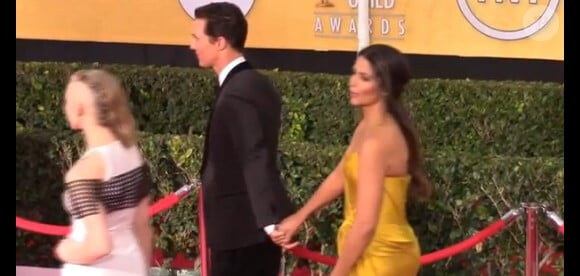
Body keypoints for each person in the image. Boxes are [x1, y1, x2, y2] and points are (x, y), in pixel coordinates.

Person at [272, 44, 433, 276]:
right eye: (354, 73)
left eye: (364, 77)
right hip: (374, 250)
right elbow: (341, 174)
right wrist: (300, 217)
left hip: (380, 256)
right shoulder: (367, 127)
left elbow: (366, 225)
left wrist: (338, 273)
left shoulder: (376, 142)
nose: (353, 82)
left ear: (384, 87)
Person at [189, 2, 295, 276]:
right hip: (250, 229)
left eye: (197, 38)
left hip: (241, 232)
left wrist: (269, 222)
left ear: (220, 42)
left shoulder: (238, 92)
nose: (192, 46)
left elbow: (254, 155)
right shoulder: (257, 84)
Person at [55, 69, 154, 276]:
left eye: (66, 102)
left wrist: (64, 251)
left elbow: (99, 246)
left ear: (80, 108)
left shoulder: (84, 171)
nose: (64, 108)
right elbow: (142, 227)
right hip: (132, 264)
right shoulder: (132, 154)